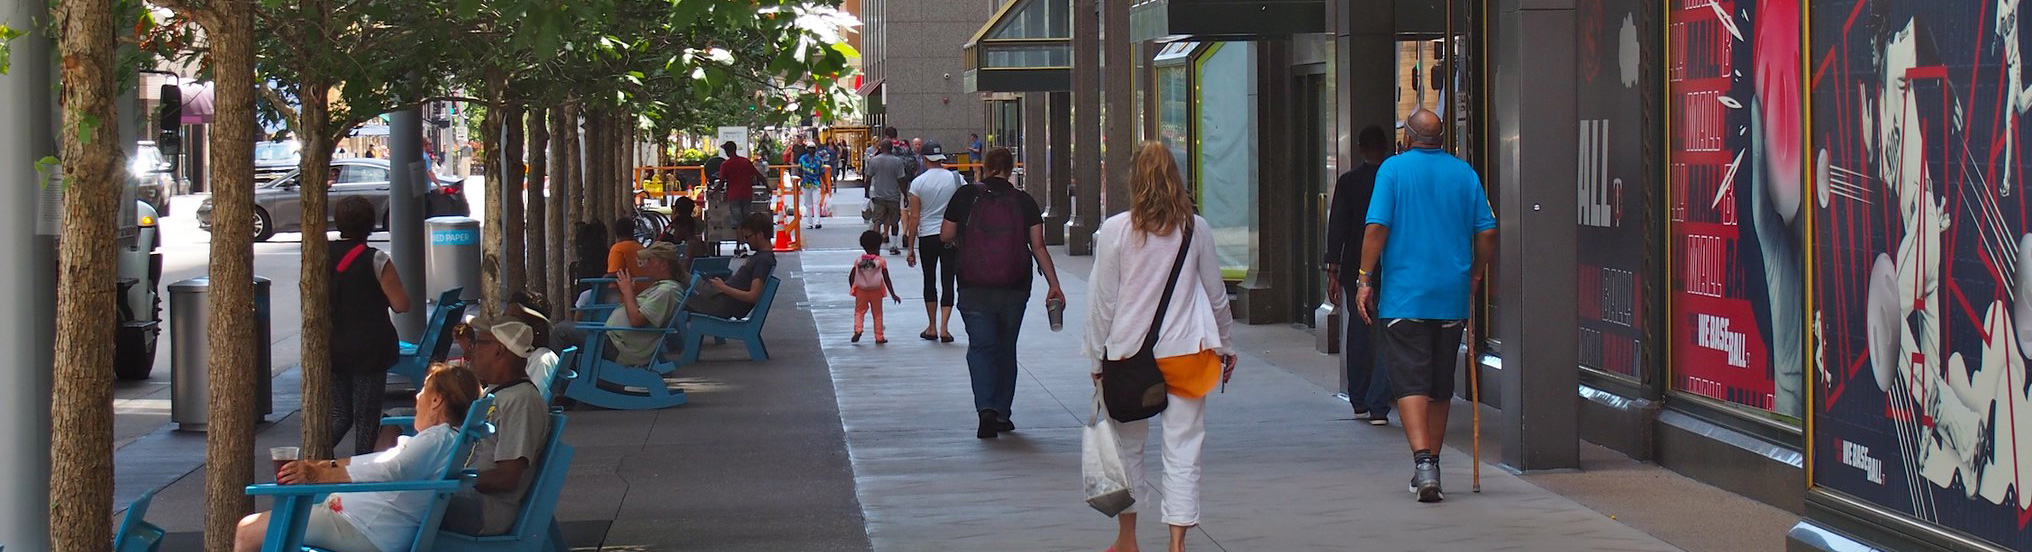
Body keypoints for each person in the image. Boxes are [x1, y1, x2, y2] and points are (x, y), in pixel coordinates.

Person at [1085, 141, 1237, 552]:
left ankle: (1128, 539)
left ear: (1133, 180)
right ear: (1176, 178)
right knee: (1184, 448)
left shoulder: (1116, 230)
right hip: (1188, 353)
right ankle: (1176, 543)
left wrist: (1095, 355)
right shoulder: (1195, 228)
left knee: (1129, 448)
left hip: (1129, 356)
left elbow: (1103, 301)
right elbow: (1216, 293)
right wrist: (1224, 344)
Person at [1353, 109, 1497, 503]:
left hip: (1405, 295)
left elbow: (1377, 228)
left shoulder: (1392, 171)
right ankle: (1432, 460)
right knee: (1438, 383)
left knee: (1410, 383)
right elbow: (1487, 232)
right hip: (1451, 296)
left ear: (1408, 137)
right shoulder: (1464, 174)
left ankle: (1423, 464)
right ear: (1441, 137)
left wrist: (1365, 279)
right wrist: (1477, 274)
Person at [233, 363, 483, 552]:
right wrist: (327, 465)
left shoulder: (436, 438)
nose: (417, 398)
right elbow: (382, 462)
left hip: (364, 529)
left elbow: (393, 468)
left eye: (423, 392)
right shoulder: (440, 438)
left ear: (437, 400)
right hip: (360, 523)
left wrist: (322, 473)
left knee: (248, 530)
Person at [942, 147, 1065, 438]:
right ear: (1010, 170)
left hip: (973, 285)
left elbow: (946, 235)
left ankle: (985, 408)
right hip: (1014, 286)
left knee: (982, 347)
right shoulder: (1023, 201)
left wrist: (965, 240)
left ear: (984, 167)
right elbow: (1038, 246)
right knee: (1006, 347)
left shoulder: (965, 196)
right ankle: (1001, 411)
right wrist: (1053, 283)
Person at [444, 316, 553, 535]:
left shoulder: (521, 401)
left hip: (484, 508)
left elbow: (507, 477)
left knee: (398, 502)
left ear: (499, 350)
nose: (472, 351)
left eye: (478, 344)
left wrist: (448, 482)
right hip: (467, 497)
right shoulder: (500, 393)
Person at [328, 195, 412, 456]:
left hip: (332, 346)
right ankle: (361, 473)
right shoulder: (376, 259)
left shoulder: (321, 255)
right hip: (370, 349)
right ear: (371, 224)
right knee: (367, 418)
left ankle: (307, 458)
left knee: (340, 414)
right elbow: (401, 304)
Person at [1324, 125, 1395, 426]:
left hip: (1355, 267)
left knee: (1358, 332)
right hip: (1390, 266)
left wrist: (1333, 269)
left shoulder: (1349, 182)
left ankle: (1359, 398)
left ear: (1360, 148)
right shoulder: (1394, 180)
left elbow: (1337, 226)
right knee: (1388, 334)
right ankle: (1379, 403)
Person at [555, 242, 688, 366]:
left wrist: (628, 291)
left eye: (649, 260)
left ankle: (557, 384)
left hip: (619, 347)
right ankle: (567, 381)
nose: (645, 265)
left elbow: (636, 320)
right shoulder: (662, 288)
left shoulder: (667, 291)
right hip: (615, 340)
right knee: (566, 328)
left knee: (561, 330)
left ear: (663, 265)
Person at [904, 141, 964, 342]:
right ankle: (945, 327)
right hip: (950, 236)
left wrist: (910, 246)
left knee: (929, 279)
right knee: (948, 280)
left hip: (927, 236)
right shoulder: (957, 179)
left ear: (925, 158)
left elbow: (914, 217)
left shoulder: (918, 183)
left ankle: (931, 326)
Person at [683, 212, 778, 319]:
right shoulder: (762, 257)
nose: (746, 241)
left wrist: (723, 288)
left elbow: (753, 296)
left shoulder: (763, 261)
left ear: (760, 235)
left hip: (721, 304)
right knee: (677, 281)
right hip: (719, 297)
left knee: (677, 278)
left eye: (748, 236)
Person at [849, 230, 902, 344]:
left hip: (861, 290)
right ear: (879, 245)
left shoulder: (858, 261)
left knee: (859, 311)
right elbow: (887, 278)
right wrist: (893, 294)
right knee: (877, 314)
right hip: (876, 290)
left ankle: (858, 329)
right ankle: (879, 337)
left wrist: (853, 287)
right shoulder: (881, 261)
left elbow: (852, 275)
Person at [864, 143, 910, 254]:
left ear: (881, 148)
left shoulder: (874, 161)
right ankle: (893, 246)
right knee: (894, 222)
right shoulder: (897, 161)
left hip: (879, 196)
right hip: (893, 196)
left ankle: (875, 248)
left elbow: (868, 178)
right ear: (891, 148)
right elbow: (901, 179)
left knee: (877, 221)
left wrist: (866, 194)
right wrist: (905, 194)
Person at [797, 143, 825, 229]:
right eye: (809, 148)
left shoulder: (819, 160)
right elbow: (799, 172)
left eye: (813, 148)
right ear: (807, 149)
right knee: (808, 204)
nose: (811, 150)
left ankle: (817, 222)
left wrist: (827, 184)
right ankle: (809, 223)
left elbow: (822, 173)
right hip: (806, 184)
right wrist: (799, 183)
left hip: (816, 184)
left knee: (816, 203)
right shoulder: (802, 159)